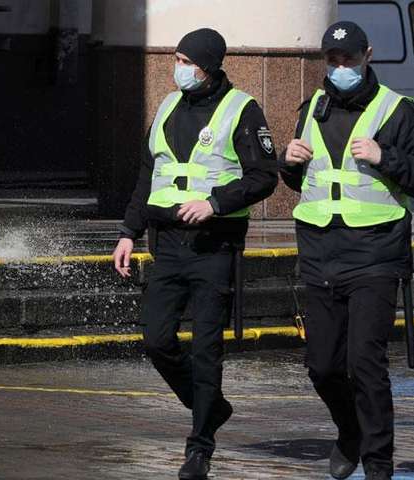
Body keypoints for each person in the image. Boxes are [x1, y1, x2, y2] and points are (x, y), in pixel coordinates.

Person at [279, 21, 414, 480]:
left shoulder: (399, 111)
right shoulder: (312, 108)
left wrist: (384, 157)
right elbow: (304, 180)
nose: (340, 68)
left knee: (365, 363)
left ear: (367, 55)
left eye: (348, 59)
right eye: (332, 60)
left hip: (375, 255)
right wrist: (287, 163)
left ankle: (378, 464)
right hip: (320, 253)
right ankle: (350, 431)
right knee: (322, 368)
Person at [112, 28, 277, 480]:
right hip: (167, 244)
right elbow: (148, 174)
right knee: (156, 340)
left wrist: (215, 203)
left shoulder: (241, 109)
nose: (178, 68)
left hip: (213, 246)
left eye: (186, 61)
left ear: (207, 67)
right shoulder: (168, 105)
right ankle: (211, 407)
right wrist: (128, 231)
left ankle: (200, 448)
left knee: (206, 350)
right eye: (176, 59)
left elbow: (264, 176)